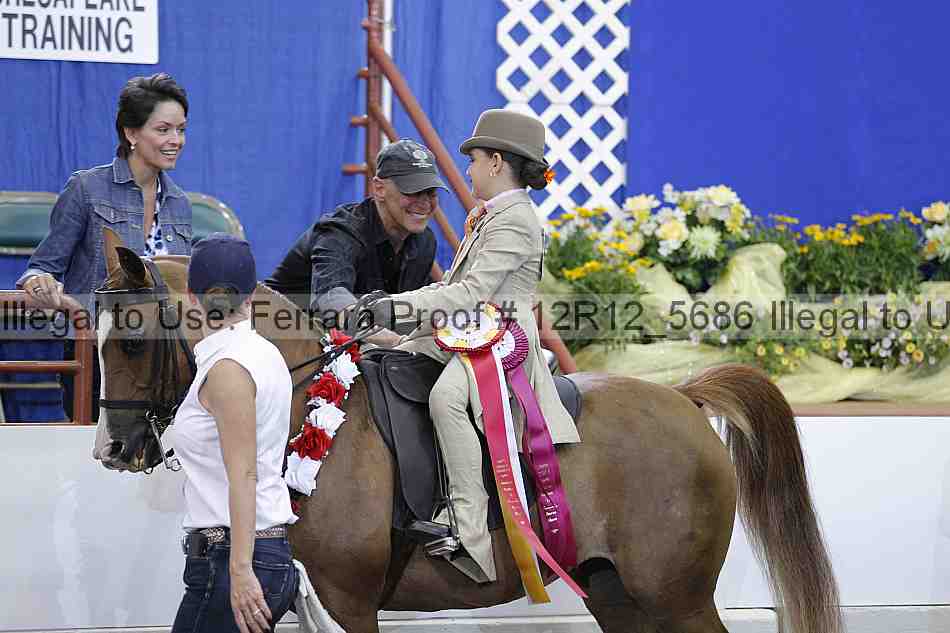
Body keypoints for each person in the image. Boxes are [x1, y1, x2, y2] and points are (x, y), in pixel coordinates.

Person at [363, 110, 581, 583]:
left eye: (474, 160)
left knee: (446, 398)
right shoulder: (491, 215)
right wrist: (389, 310)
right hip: (468, 330)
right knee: (389, 360)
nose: (468, 170)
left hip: (501, 337)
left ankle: (468, 526)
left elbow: (469, 294)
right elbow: (453, 289)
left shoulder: (514, 221)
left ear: (497, 162)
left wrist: (394, 308)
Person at [15, 72, 193, 422]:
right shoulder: (86, 188)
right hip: (98, 356)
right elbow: (43, 266)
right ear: (131, 133)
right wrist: (40, 282)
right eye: (163, 130)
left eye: (181, 129)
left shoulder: (180, 203)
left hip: (165, 365)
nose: (176, 140)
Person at [171, 234, 298, 633]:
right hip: (252, 554)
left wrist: (240, 570)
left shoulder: (227, 368)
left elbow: (244, 475)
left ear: (192, 297)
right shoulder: (264, 354)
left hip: (233, 559)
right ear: (252, 295)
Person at [265, 139, 446, 345]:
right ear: (379, 188)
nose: (424, 202)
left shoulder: (425, 242)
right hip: (276, 337)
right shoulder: (340, 231)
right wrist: (400, 344)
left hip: (337, 346)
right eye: (413, 191)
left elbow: (411, 314)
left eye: (431, 192)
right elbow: (333, 302)